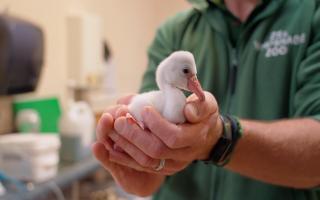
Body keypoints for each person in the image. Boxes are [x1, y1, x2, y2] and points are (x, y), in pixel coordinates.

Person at [92, 0, 320, 199]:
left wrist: (219, 139)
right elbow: (150, 164)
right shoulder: (175, 31)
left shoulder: (311, 15)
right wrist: (140, 167)